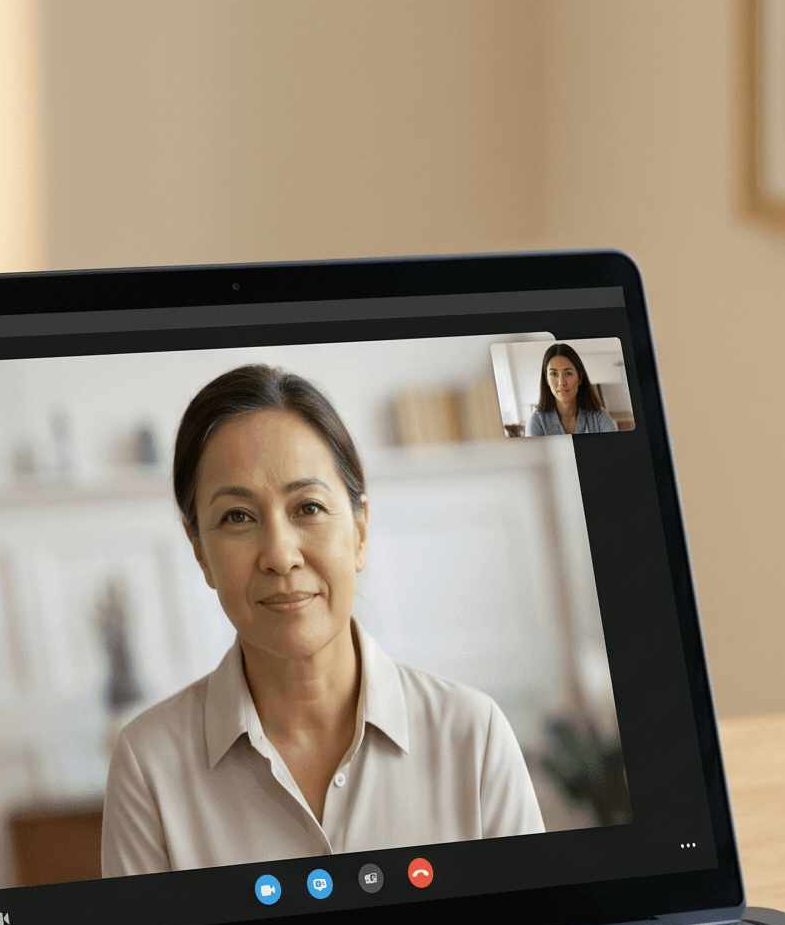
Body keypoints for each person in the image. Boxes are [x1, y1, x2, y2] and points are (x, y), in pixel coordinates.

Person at [102, 364, 546, 877]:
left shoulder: (473, 736)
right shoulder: (148, 767)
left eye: (308, 507)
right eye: (237, 517)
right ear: (200, 550)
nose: (280, 555)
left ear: (360, 530)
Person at [522, 342, 617, 436]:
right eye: (554, 374)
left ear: (580, 378)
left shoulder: (599, 417)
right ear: (547, 380)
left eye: (568, 373)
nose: (561, 382)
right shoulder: (537, 420)